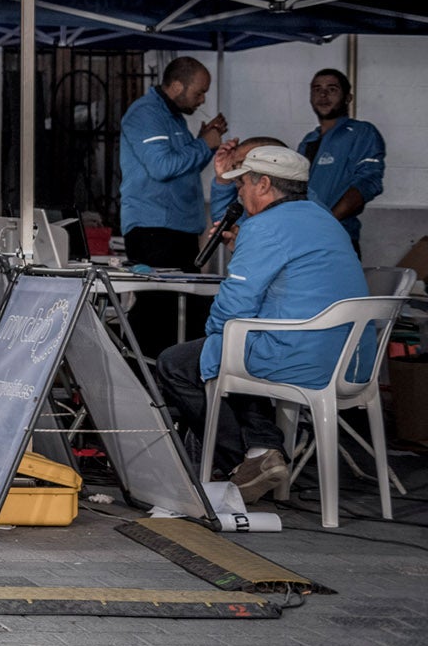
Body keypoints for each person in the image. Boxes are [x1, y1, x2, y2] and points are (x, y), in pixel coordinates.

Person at [156, 143, 370, 503]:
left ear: (264, 184)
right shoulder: (324, 219)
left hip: (303, 358)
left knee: (178, 363)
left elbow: (234, 306)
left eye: (243, 184)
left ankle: (245, 461)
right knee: (233, 347)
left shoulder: (264, 226)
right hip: (352, 358)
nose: (239, 191)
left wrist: (214, 342)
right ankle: (261, 448)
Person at [118, 56, 226, 352]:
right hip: (154, 230)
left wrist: (206, 142)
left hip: (179, 229)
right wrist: (204, 143)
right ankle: (138, 380)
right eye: (199, 92)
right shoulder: (145, 114)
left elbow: (183, 167)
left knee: (190, 312)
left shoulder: (174, 117)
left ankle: (173, 381)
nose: (202, 100)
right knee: (158, 312)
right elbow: (162, 167)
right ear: (177, 86)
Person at [299, 69, 385, 254]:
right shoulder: (308, 141)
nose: (323, 95)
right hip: (303, 240)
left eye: (332, 89)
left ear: (348, 98)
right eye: (317, 89)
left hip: (337, 240)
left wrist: (327, 222)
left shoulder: (361, 132)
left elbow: (368, 183)